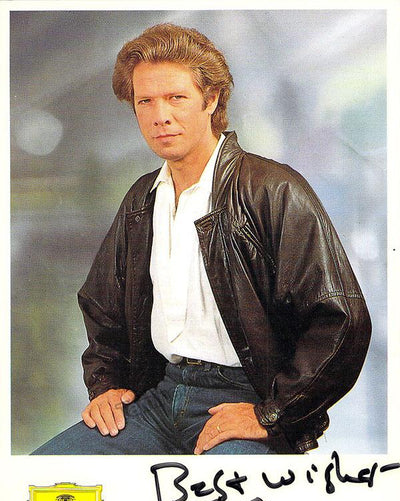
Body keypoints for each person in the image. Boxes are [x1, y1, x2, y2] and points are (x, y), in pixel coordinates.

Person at [32, 23, 371, 456]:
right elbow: (102, 307)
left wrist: (272, 413)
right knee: (35, 479)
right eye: (145, 101)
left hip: (245, 399)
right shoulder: (142, 199)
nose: (160, 116)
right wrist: (106, 386)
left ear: (211, 99)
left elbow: (342, 319)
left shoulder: (273, 189)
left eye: (176, 97)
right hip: (159, 399)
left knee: (221, 500)